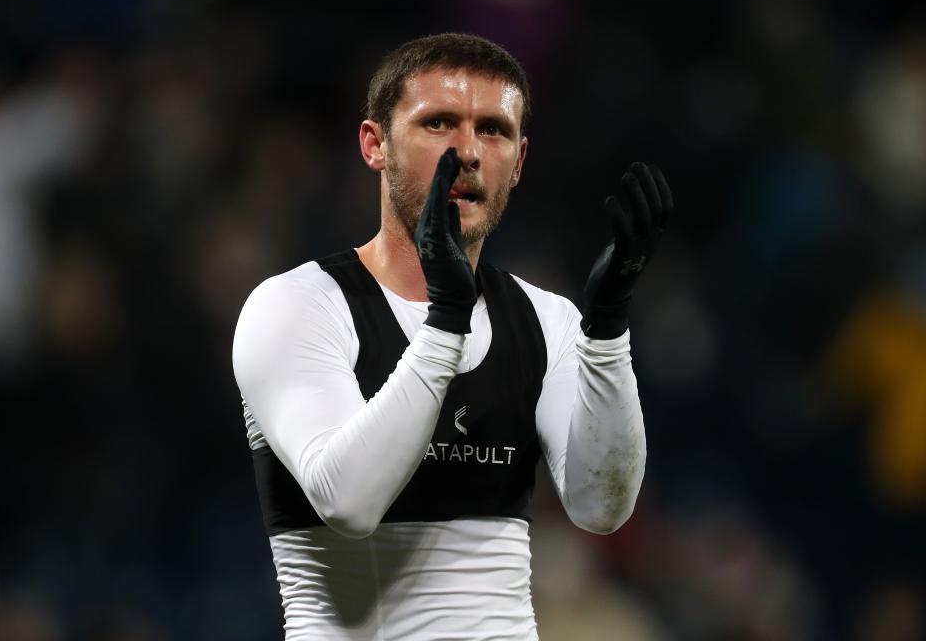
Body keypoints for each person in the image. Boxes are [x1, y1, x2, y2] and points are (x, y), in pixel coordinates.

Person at [232, 32, 672, 640]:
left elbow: (601, 508)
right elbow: (349, 501)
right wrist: (446, 322)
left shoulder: (548, 320)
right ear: (374, 144)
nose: (467, 151)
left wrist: (605, 334)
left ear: (518, 161)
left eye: (493, 129)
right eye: (439, 123)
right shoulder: (299, 306)